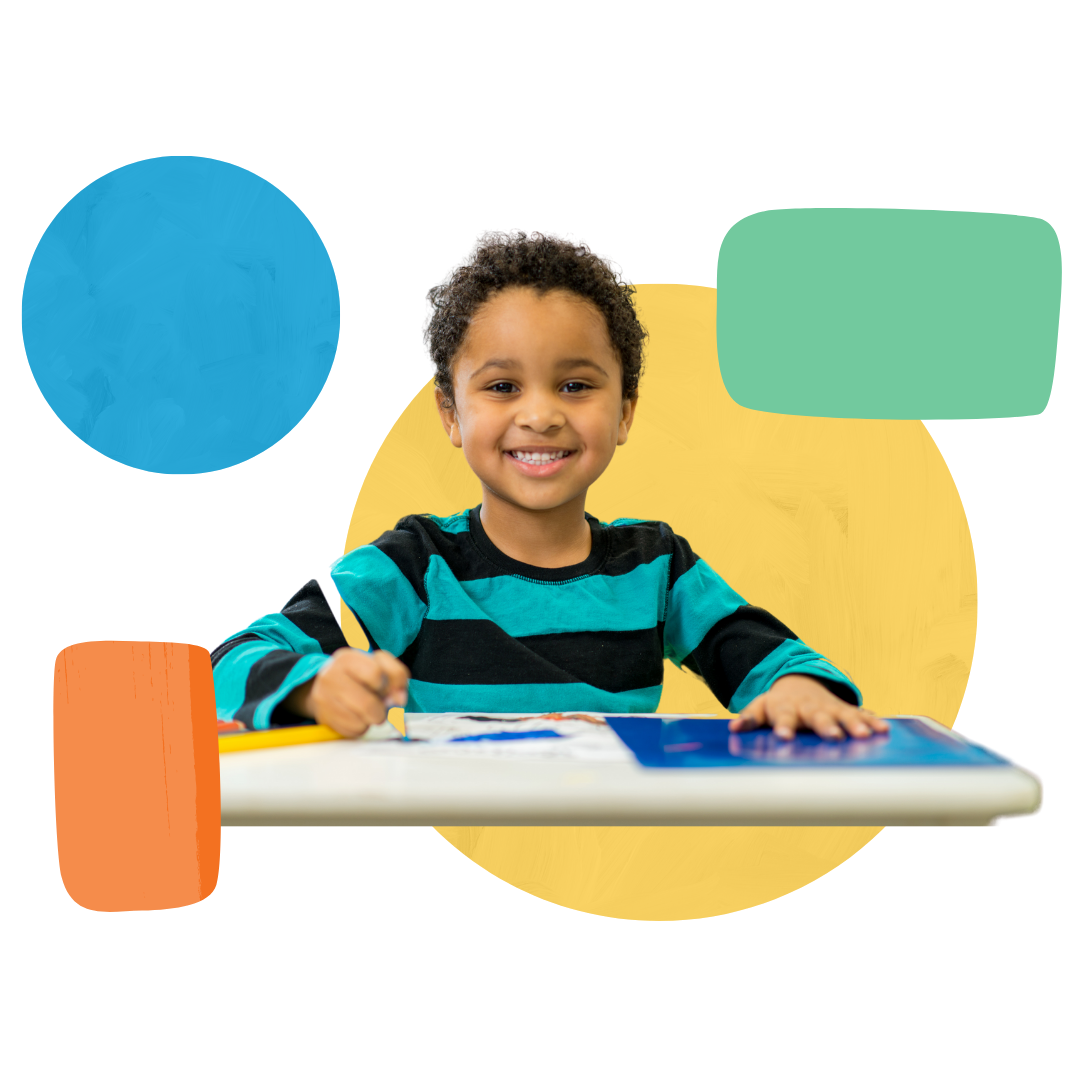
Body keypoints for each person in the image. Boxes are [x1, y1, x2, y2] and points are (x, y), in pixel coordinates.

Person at [210, 230, 889, 744]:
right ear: (452, 415)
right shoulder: (413, 565)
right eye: (503, 387)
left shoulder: (656, 567)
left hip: (607, 859)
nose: (540, 414)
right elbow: (233, 662)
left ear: (624, 412)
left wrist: (797, 687)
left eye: (576, 385)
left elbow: (763, 653)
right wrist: (313, 686)